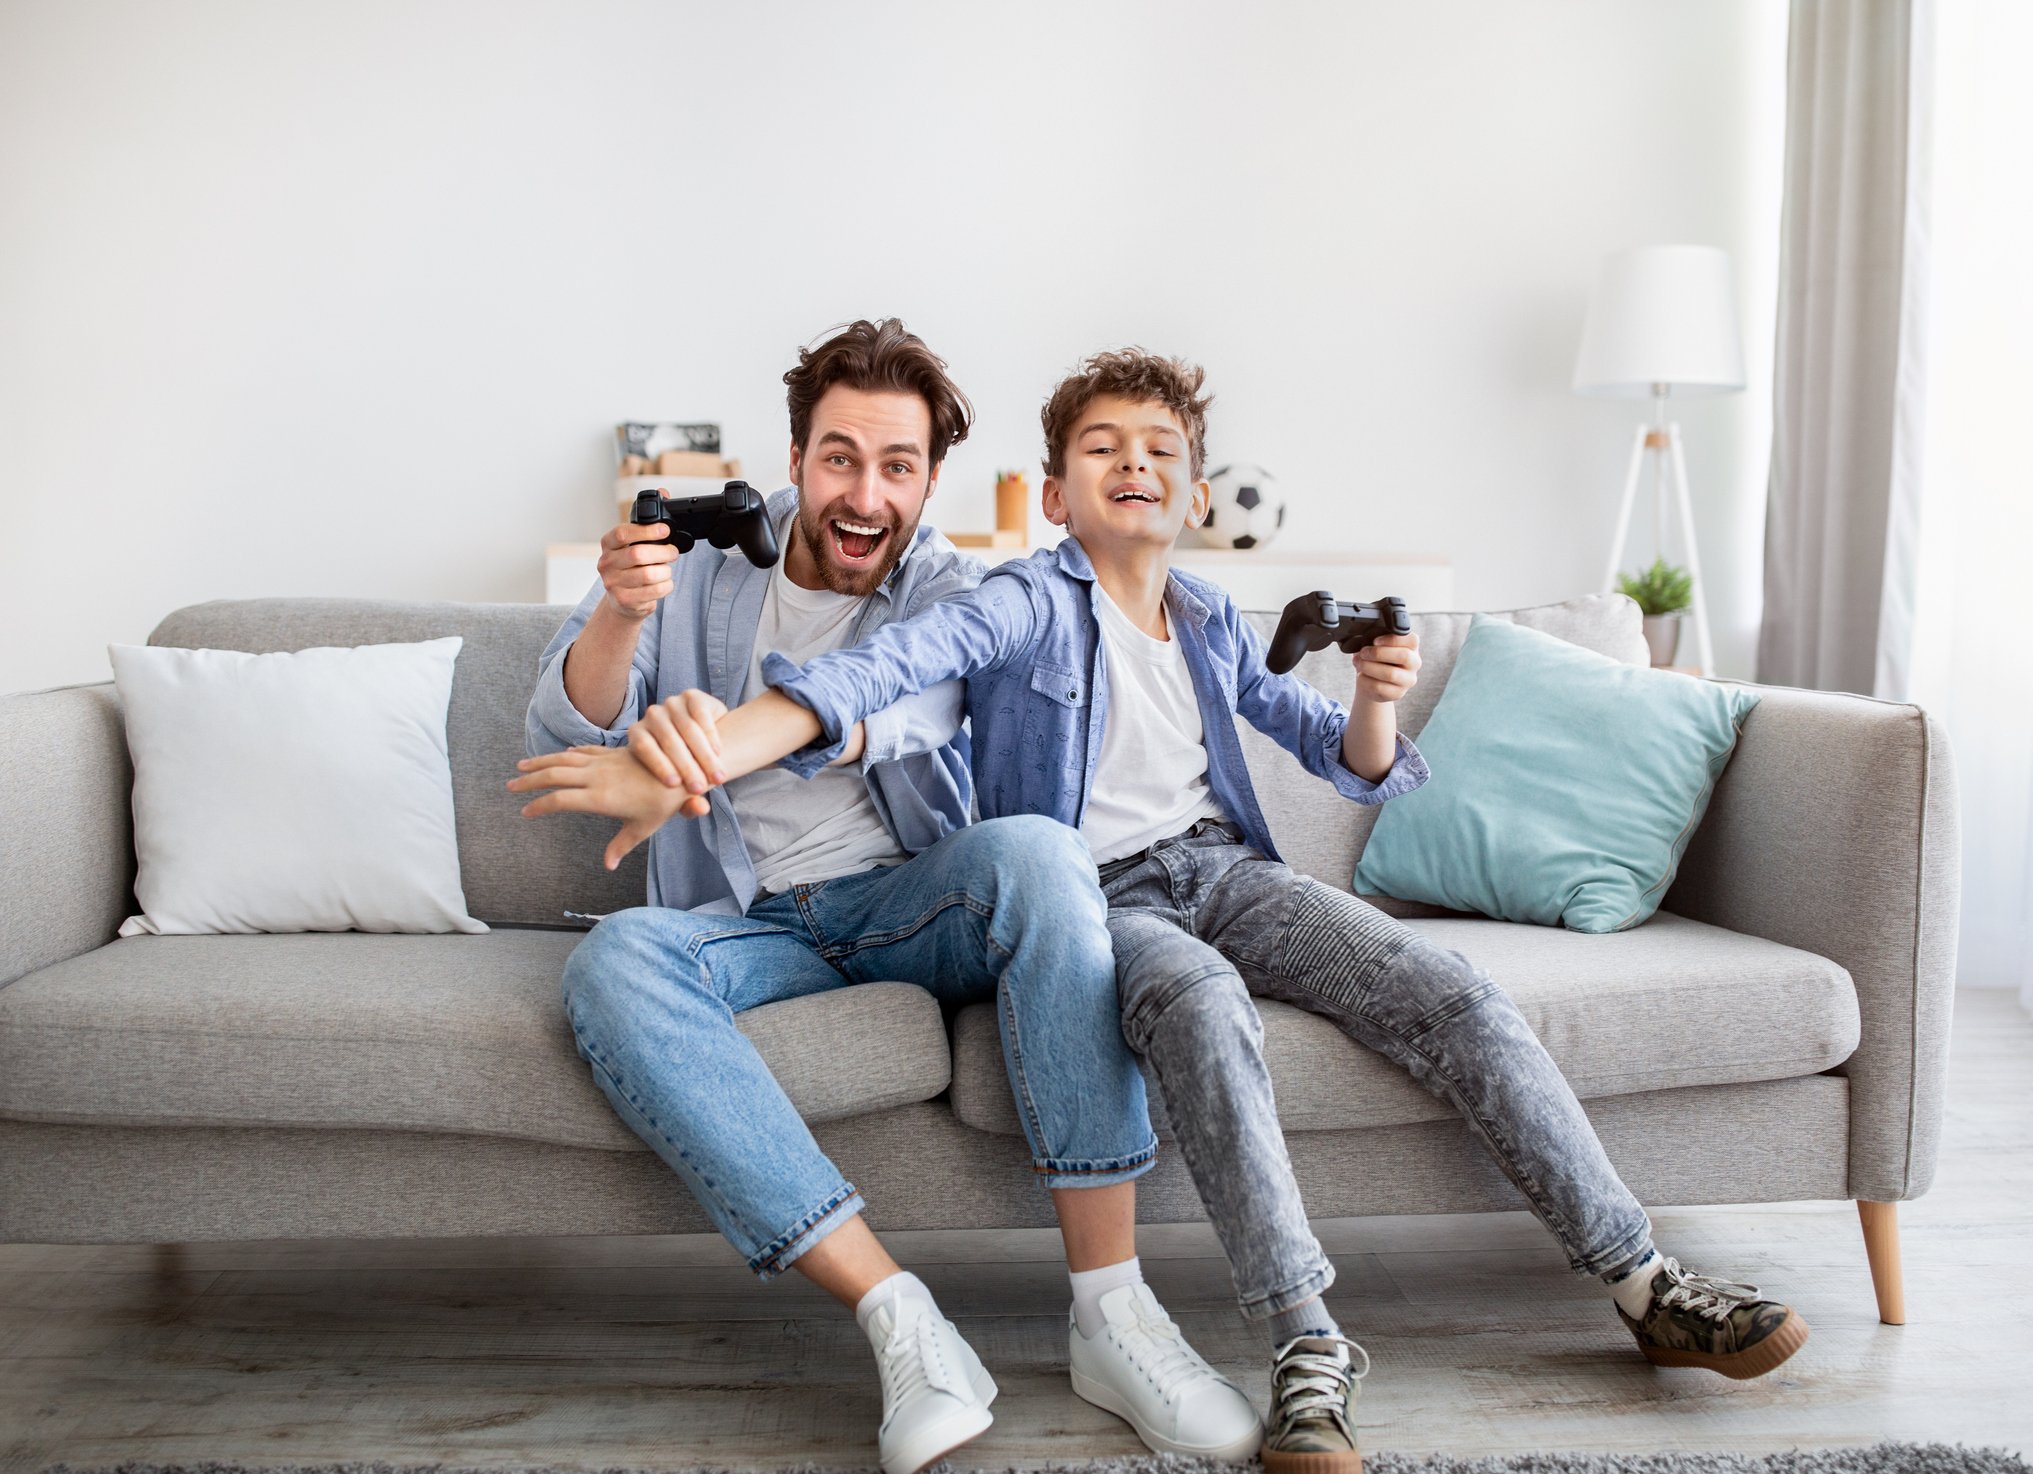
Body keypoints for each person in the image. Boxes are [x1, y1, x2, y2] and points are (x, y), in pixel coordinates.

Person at [517, 348, 1811, 1474]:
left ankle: (1644, 1279)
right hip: (1067, 894)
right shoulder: (1009, 595)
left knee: (1449, 988)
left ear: (1198, 490)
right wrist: (683, 744)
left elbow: (1340, 755)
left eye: (1159, 450)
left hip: (1187, 874)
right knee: (1182, 995)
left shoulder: (1192, 612)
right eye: (1100, 446)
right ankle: (1284, 1337)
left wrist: (1376, 694)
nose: (1131, 465)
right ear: (1055, 487)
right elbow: (873, 681)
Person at [514, 321, 1271, 1474]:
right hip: (749, 922)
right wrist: (621, 615)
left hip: (909, 903)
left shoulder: (956, 588)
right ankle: (900, 1318)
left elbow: (905, 710)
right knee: (611, 961)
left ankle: (1113, 1317)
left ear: (927, 480)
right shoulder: (701, 568)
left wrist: (691, 752)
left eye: (898, 466)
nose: (864, 494)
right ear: (796, 455)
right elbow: (557, 733)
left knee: (1037, 853)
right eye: (838, 459)